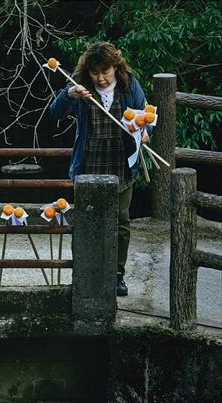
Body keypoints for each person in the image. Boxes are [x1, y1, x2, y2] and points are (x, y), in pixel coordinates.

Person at [50, 42, 151, 297]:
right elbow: (55, 113)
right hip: (89, 162)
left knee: (121, 222)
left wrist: (146, 131)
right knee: (86, 219)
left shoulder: (129, 85)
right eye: (96, 73)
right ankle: (85, 273)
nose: (101, 78)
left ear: (115, 67)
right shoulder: (80, 84)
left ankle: (117, 275)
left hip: (121, 161)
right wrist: (68, 94)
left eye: (106, 72)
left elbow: (146, 117)